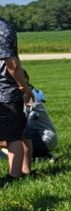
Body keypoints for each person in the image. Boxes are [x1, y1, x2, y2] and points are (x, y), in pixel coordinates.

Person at [0, 15, 32, 181]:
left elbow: (11, 64)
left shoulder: (2, 29)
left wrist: (22, 86)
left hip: (6, 91)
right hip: (4, 91)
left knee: (14, 136)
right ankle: (23, 172)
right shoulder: (5, 28)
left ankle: (16, 175)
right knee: (14, 134)